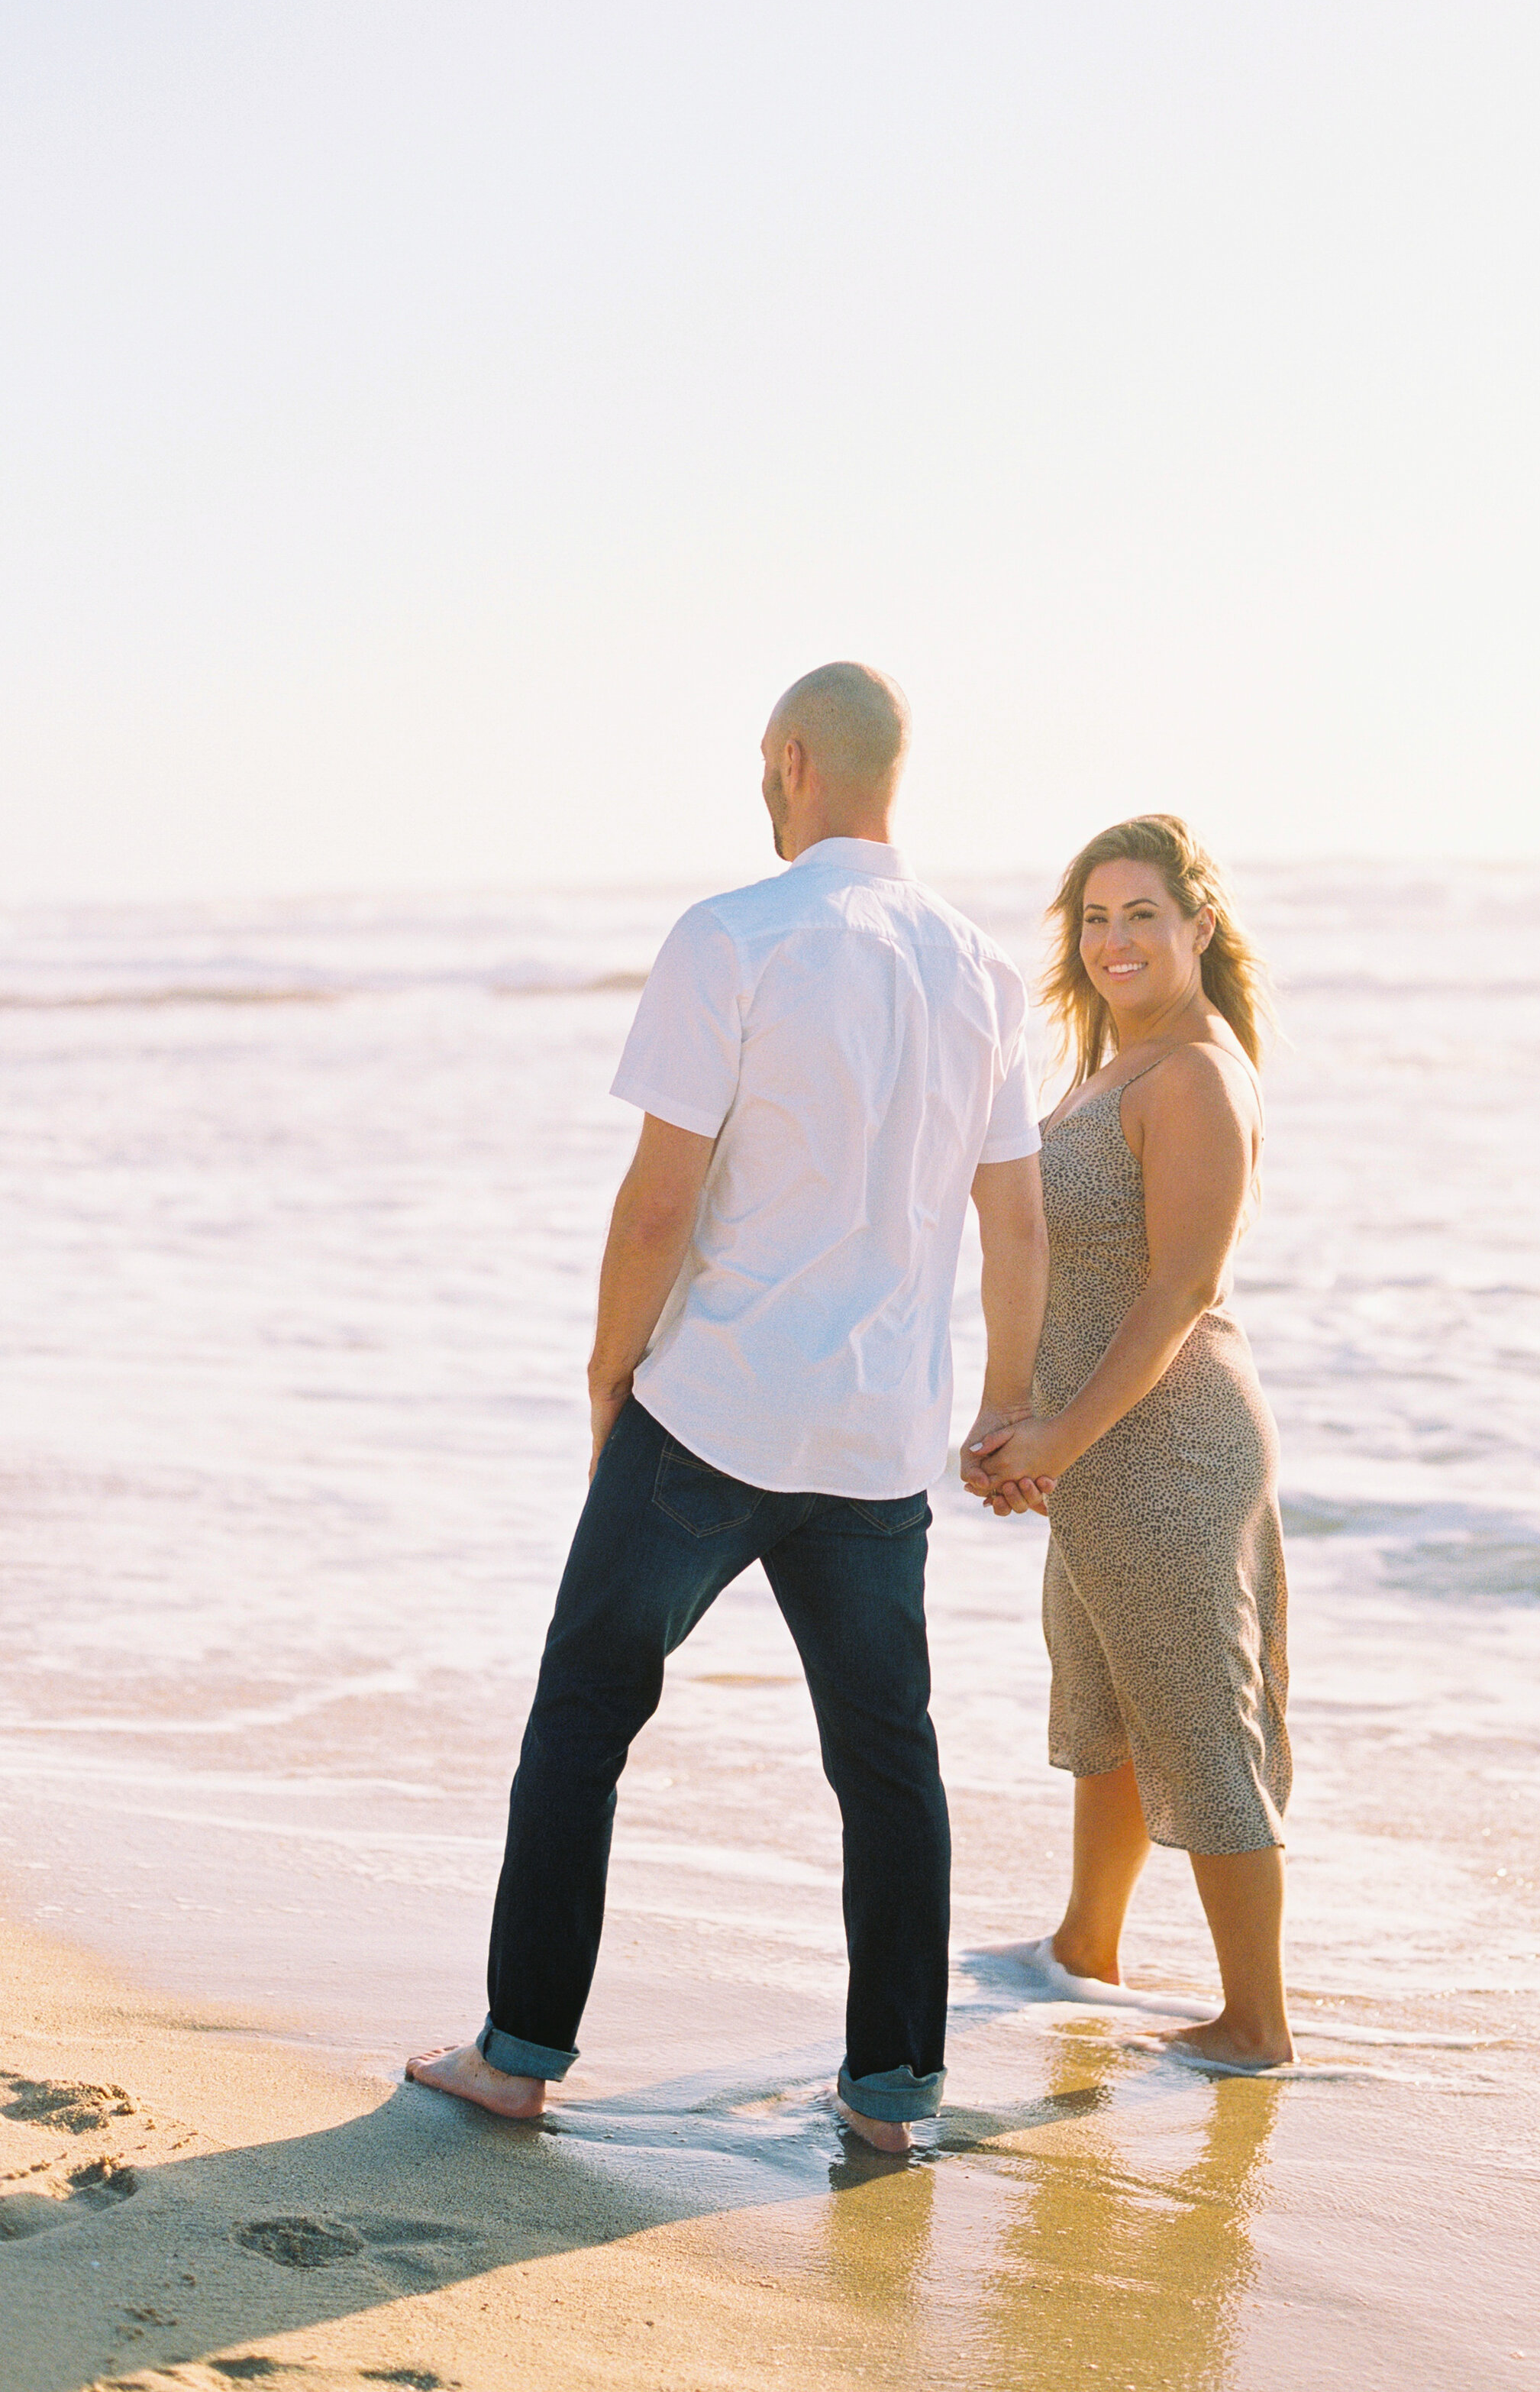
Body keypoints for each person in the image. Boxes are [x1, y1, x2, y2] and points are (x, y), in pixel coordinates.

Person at [409, 662, 1048, 2152]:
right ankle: (893, 2095)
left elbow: (657, 1207)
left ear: (793, 761)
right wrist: (1002, 1410)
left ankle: (517, 2053)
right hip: (879, 1435)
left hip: (711, 1414)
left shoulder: (732, 936)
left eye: (764, 769)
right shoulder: (979, 970)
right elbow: (1014, 1225)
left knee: (583, 1714)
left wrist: (603, 1376)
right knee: (888, 1759)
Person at [966, 813, 1294, 2070]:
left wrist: (1056, 1434)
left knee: (1199, 1721)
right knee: (1107, 1710)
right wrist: (1017, 1423)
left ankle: (1255, 2023)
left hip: (1171, 1449)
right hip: (1096, 1448)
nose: (1115, 940)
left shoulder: (1196, 1075)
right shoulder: (1113, 1067)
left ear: (1199, 929)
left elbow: (1178, 1295)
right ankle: (1081, 1949)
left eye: (1141, 915)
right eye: (1095, 919)